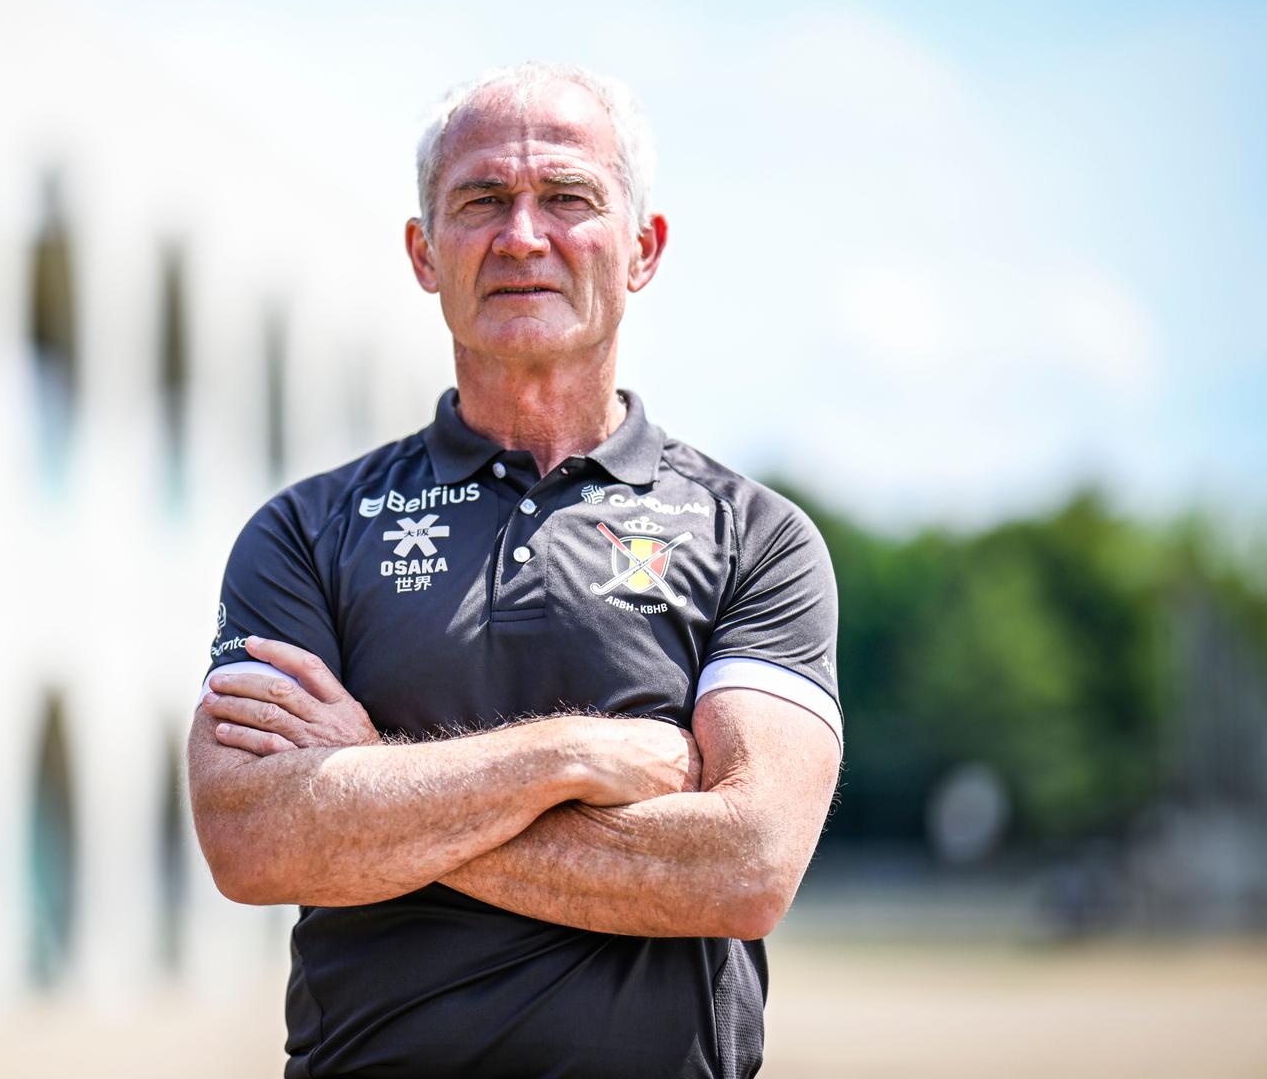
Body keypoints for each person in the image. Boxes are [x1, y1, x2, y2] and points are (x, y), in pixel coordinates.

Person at [188, 62, 842, 1078]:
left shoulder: (753, 536)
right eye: (482, 200)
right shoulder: (307, 532)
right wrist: (569, 756)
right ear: (424, 251)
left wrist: (371, 787)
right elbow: (251, 838)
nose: (523, 235)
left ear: (643, 248)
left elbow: (747, 863)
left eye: (570, 198)